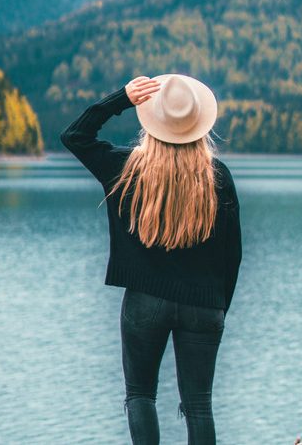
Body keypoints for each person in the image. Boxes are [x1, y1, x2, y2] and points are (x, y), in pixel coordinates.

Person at [60, 74, 242, 444]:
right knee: (199, 406)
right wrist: (219, 308)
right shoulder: (217, 176)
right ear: (198, 126)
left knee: (141, 395)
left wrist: (121, 99)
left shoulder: (126, 168)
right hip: (204, 306)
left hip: (145, 302)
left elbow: (75, 136)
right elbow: (233, 255)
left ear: (153, 124)